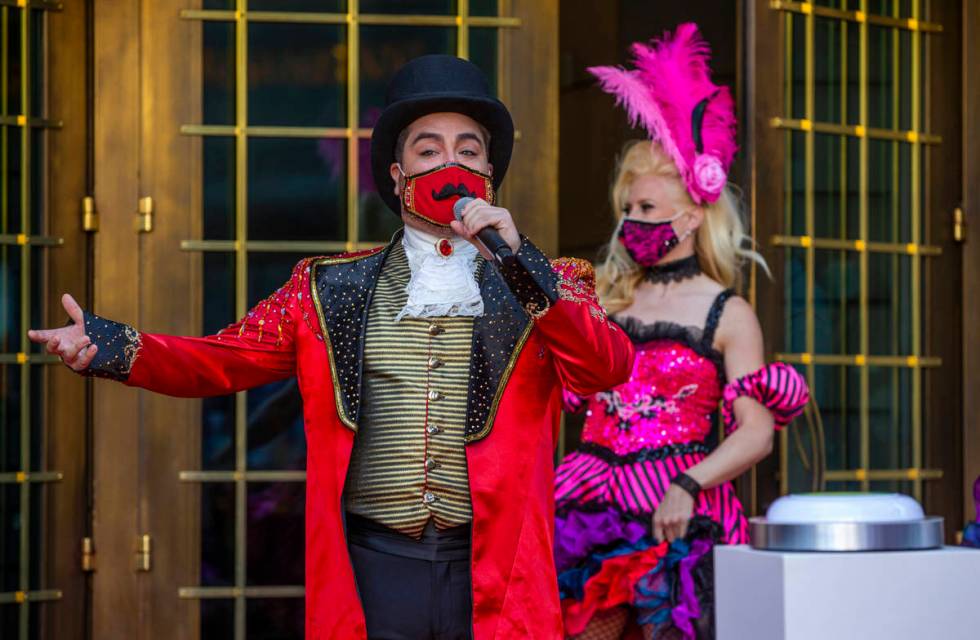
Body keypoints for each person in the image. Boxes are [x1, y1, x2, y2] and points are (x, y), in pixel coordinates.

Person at [28, 55, 635, 640]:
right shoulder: (325, 288)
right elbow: (222, 359)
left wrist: (520, 260)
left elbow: (605, 367)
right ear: (397, 177)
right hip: (373, 566)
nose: (450, 163)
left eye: (468, 149)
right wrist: (109, 346)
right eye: (428, 149)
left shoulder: (548, 283)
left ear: (490, 173)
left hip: (496, 573)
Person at [553, 25, 810, 639]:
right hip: (592, 507)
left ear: (692, 216)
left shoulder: (728, 311)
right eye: (628, 209)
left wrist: (687, 484)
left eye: (646, 209)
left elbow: (756, 433)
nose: (632, 222)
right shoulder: (605, 299)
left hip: (677, 510)